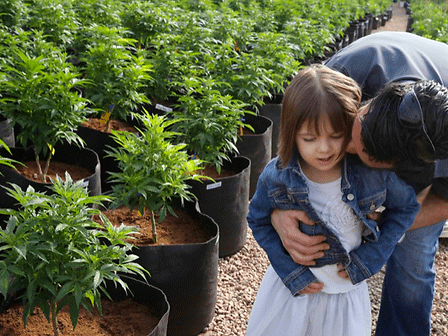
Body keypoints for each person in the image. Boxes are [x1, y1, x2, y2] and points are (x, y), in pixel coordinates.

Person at [270, 31, 448, 336]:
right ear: (368, 105)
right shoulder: (350, 70)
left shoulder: (437, 157)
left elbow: (444, 202)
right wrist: (278, 211)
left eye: (356, 153)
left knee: (413, 261)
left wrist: (388, 226)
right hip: (389, 59)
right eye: (351, 133)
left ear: (399, 168)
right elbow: (295, 138)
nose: (340, 151)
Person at [246, 64, 420, 336]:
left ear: (350, 128)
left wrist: (371, 258)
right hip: (291, 294)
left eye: (335, 136)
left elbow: (406, 207)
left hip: (344, 296)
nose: (324, 148)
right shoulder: (277, 176)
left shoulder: (373, 175)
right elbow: (257, 219)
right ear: (291, 133)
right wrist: (289, 271)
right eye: (310, 138)